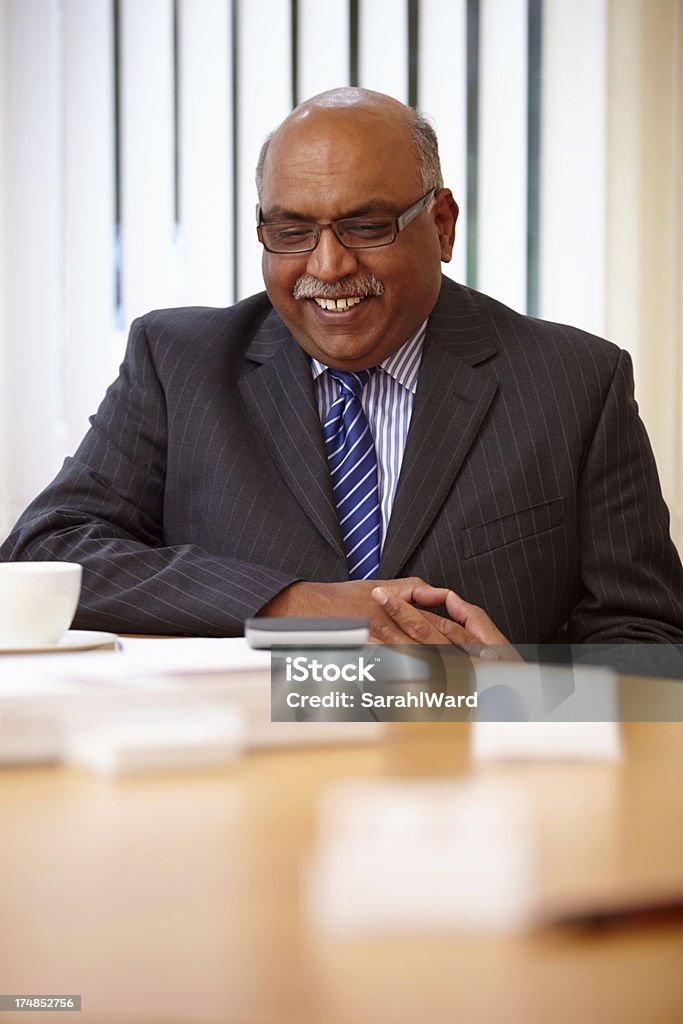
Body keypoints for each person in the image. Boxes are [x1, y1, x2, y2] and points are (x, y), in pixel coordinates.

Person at [2, 87, 682, 662]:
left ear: (441, 225)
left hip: (479, 786)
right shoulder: (177, 362)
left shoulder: (573, 383)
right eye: (291, 230)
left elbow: (649, 643)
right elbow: (42, 555)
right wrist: (294, 604)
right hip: (241, 782)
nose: (326, 268)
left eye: (366, 225)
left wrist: (517, 696)